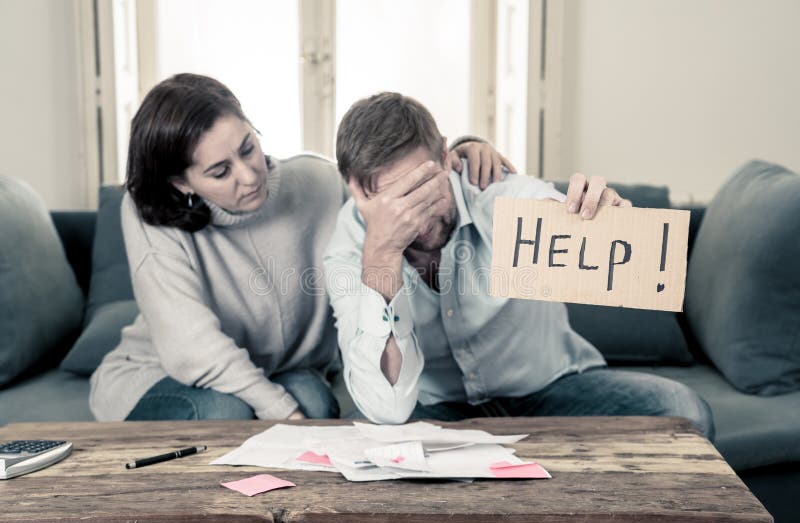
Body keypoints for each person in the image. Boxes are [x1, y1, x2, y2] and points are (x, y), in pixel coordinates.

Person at [89, 74, 513, 422]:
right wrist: (283, 415)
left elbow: (394, 190)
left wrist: (463, 152)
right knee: (227, 412)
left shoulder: (317, 182)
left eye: (248, 148)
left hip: (286, 371)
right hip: (167, 373)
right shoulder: (148, 215)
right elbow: (191, 350)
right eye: (220, 171)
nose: (249, 175)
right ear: (181, 183)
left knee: (316, 404)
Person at [323, 92, 715, 440]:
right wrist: (381, 256)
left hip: (550, 389)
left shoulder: (492, 190)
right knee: (371, 439)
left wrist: (600, 221)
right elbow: (387, 408)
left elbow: (541, 202)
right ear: (357, 192)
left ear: (446, 158)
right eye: (397, 204)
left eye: (424, 191)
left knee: (684, 411)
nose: (417, 220)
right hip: (434, 408)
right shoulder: (349, 247)